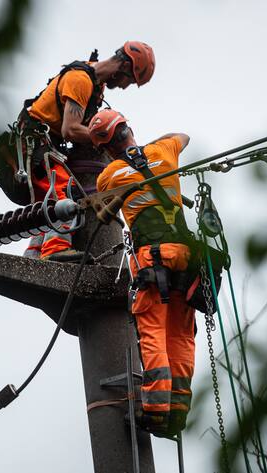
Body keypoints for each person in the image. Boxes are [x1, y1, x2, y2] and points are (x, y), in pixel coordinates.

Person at [0, 41, 155, 262]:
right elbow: (70, 129)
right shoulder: (80, 80)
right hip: (35, 142)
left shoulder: (95, 82)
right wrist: (106, 140)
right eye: (129, 80)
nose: (124, 86)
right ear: (125, 67)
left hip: (43, 144)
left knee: (47, 204)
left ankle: (33, 255)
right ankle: (56, 248)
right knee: (60, 192)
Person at [92, 109, 195, 437]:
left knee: (153, 332)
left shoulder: (109, 174)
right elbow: (183, 136)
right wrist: (149, 152)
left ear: (106, 149)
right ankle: (176, 413)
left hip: (153, 259)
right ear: (129, 129)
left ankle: (154, 413)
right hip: (187, 259)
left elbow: (103, 214)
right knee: (180, 335)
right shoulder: (165, 151)